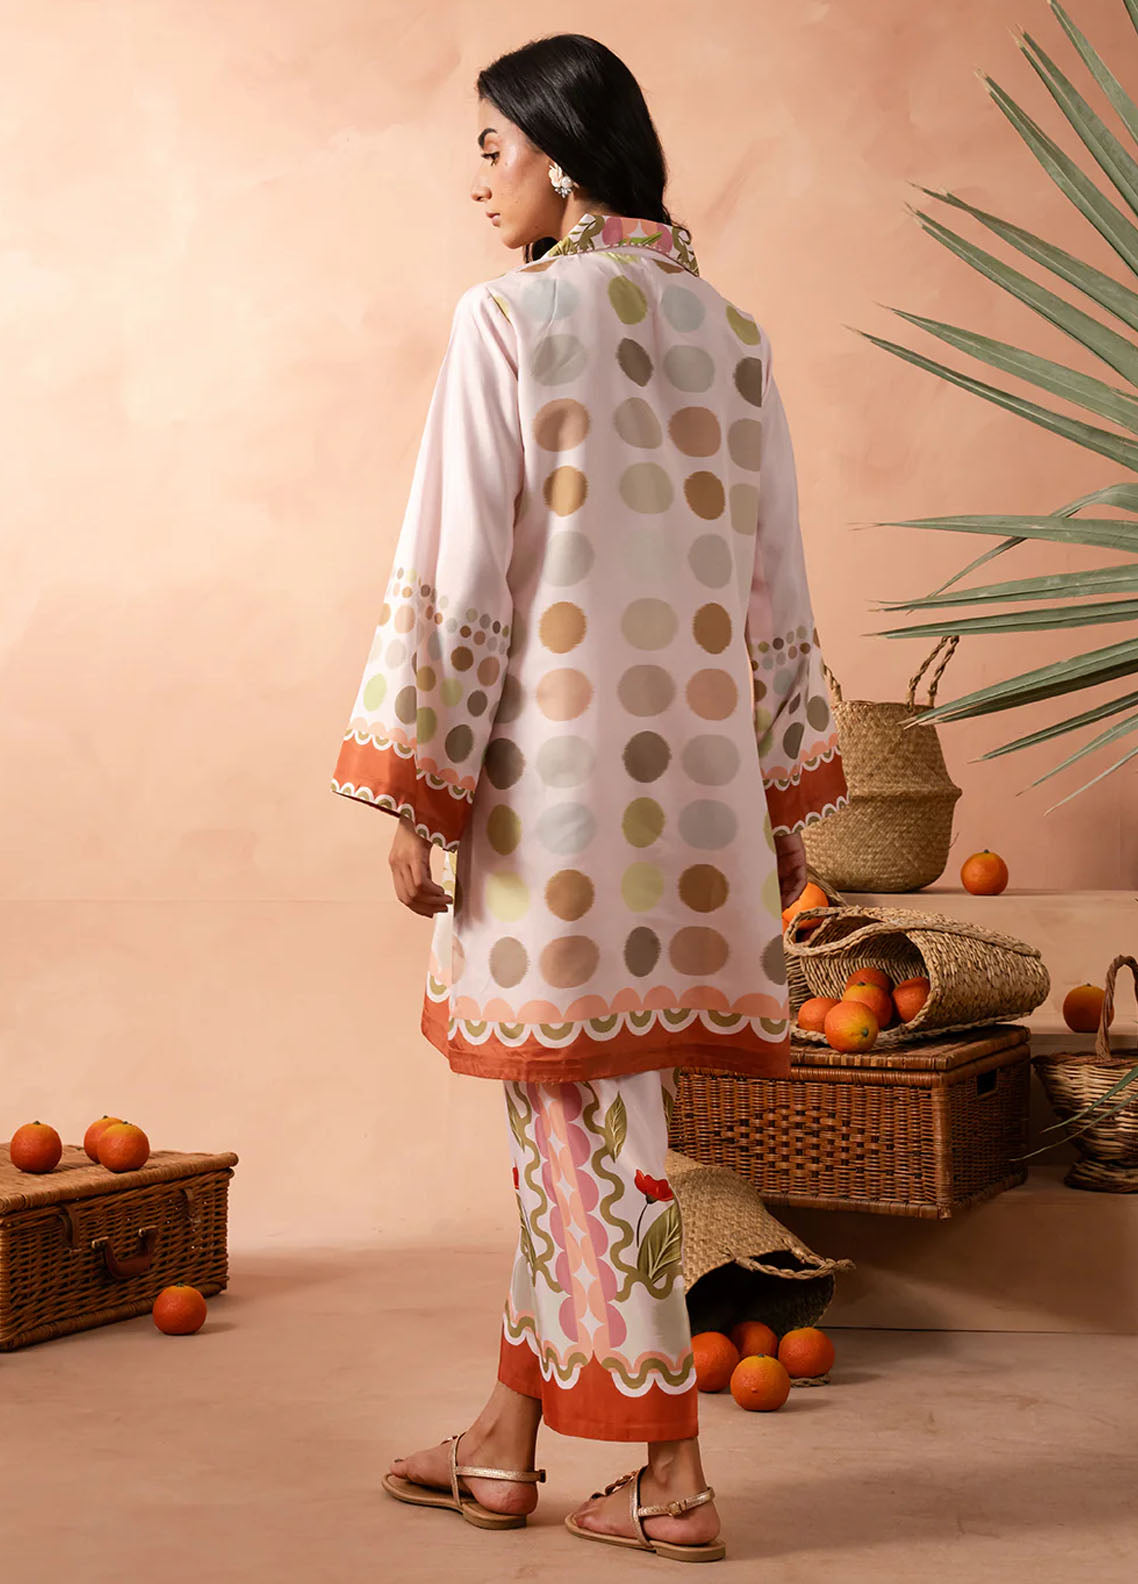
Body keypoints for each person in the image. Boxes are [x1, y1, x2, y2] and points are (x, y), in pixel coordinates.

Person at [331, 32, 848, 1564]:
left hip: (551, 812)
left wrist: (418, 790)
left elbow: (458, 565)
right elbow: (773, 587)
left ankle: (667, 1477)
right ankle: (504, 1445)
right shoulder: (729, 334)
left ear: (558, 155)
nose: (477, 180)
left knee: (580, 1131)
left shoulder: (509, 320)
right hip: (695, 814)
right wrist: (786, 803)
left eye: (491, 148)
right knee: (581, 1116)